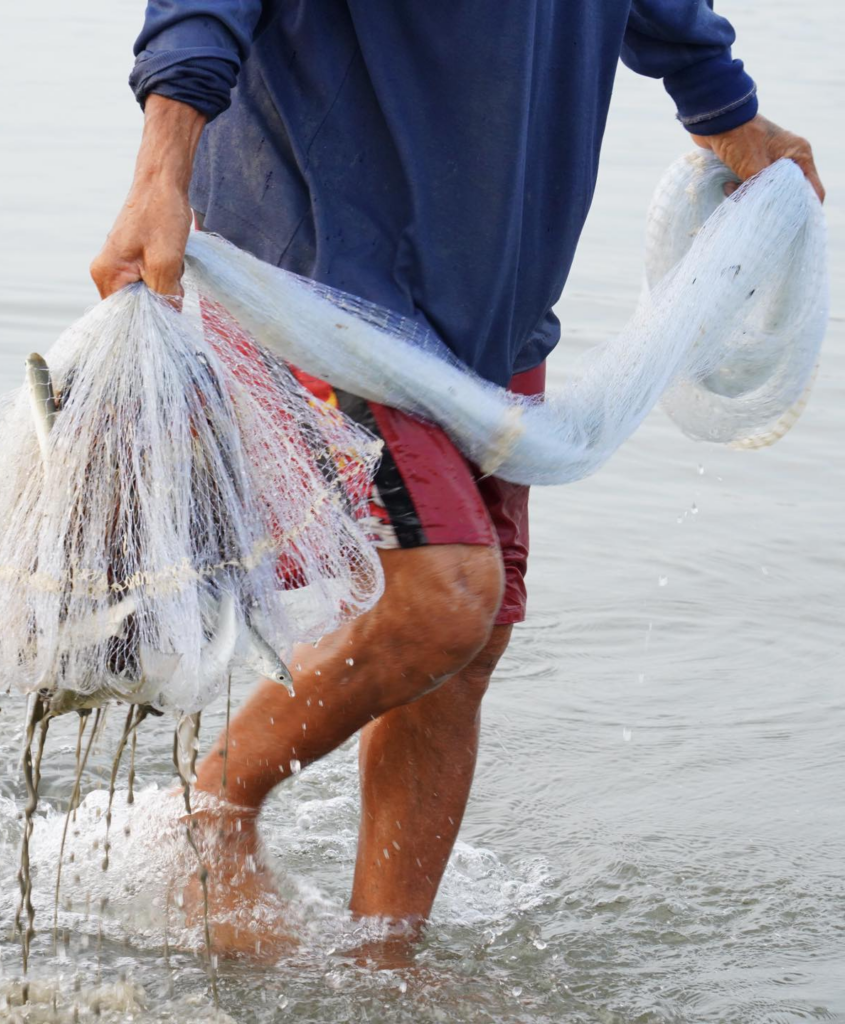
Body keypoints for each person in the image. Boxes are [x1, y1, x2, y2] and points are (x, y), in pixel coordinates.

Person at [91, 1, 824, 937]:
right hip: (323, 274)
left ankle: (387, 953)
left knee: (469, 648)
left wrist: (731, 117)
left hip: (500, 294)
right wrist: (159, 176)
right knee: (443, 599)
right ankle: (212, 809)